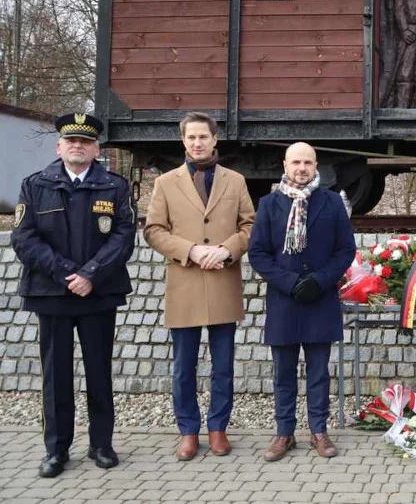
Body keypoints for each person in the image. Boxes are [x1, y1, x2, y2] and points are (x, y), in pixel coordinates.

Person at [12, 113, 136, 478]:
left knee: (99, 372)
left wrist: (89, 275)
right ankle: (57, 450)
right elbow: (24, 237)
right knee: (56, 376)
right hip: (53, 293)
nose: (78, 146)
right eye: (71, 141)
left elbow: (123, 237)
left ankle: (102, 444)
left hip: (97, 294)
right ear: (59, 147)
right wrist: (66, 272)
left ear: (97, 148)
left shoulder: (114, 186)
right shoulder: (35, 185)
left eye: (85, 141)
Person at [143, 112, 255, 461]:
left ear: (214, 139)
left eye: (203, 137)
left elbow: (250, 224)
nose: (197, 143)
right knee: (183, 366)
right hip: (186, 281)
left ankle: (218, 428)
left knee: (223, 364)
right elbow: (153, 230)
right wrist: (190, 250)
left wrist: (226, 249)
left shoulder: (235, 181)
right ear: (183, 141)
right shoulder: (165, 183)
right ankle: (188, 431)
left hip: (223, 279)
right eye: (191, 138)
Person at [248, 142, 357, 461]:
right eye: (296, 162)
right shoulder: (269, 204)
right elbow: (258, 253)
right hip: (285, 299)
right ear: (285, 165)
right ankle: (284, 433)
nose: (302, 168)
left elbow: (345, 250)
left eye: (308, 162)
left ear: (316, 165)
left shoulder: (332, 203)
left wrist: (321, 280)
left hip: (320, 298)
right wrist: (291, 282)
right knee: (283, 372)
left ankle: (318, 431)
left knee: (319, 371)